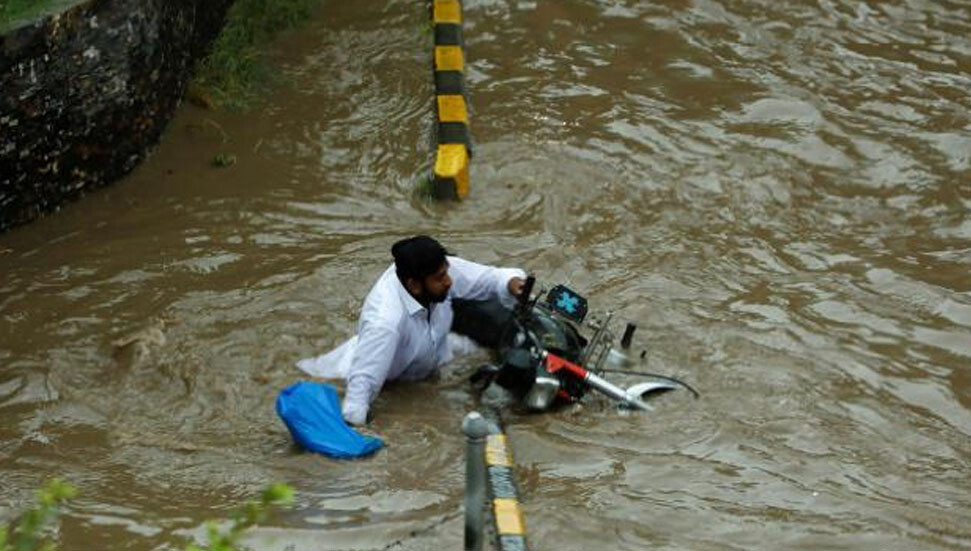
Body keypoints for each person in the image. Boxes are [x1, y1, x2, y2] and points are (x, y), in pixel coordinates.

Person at [296, 235, 525, 425]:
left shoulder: (435, 273)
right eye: (440, 278)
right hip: (369, 377)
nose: (449, 281)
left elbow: (489, 278)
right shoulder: (385, 322)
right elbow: (360, 391)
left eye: (447, 272)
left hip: (433, 357)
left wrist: (512, 283)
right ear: (414, 285)